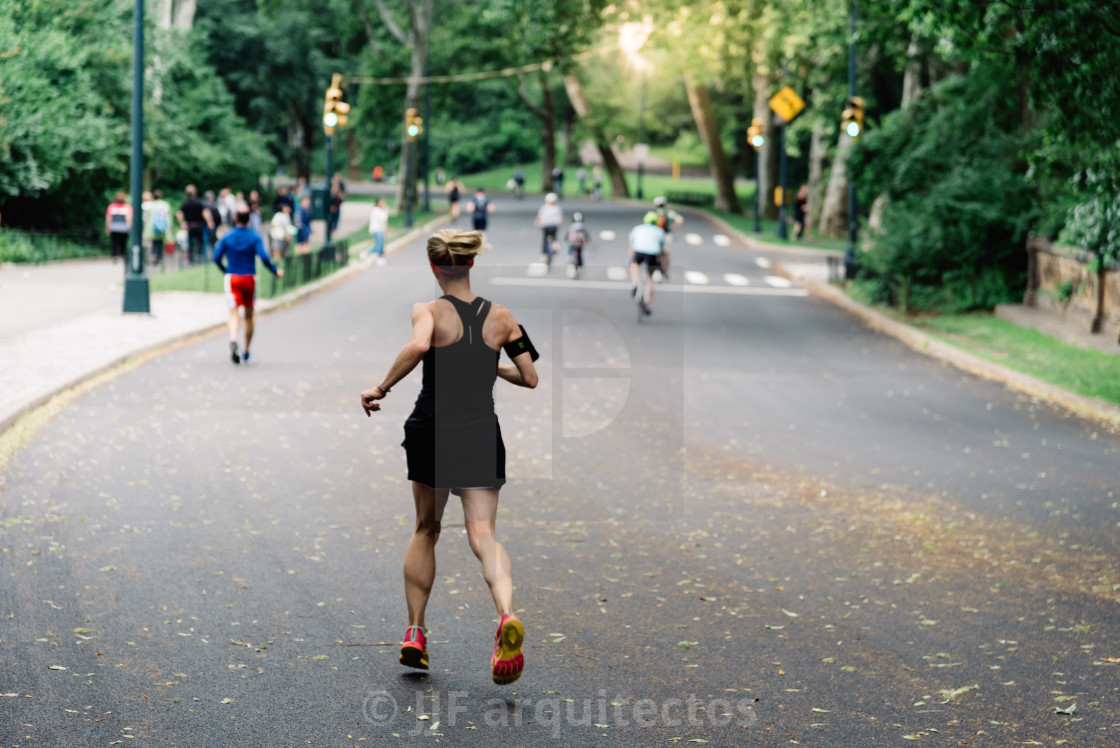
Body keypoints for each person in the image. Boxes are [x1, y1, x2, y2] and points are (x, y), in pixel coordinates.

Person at [359, 228, 539, 685]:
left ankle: (416, 634)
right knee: (483, 534)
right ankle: (506, 616)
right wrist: (487, 362)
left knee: (427, 528)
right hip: (479, 432)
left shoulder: (428, 311)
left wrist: (381, 387)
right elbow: (530, 377)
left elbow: (421, 346)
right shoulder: (502, 317)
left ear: (434, 267)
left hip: (433, 430)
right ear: (470, 264)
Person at [213, 207, 284, 365]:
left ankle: (233, 340)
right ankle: (245, 350)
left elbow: (216, 257)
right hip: (249, 277)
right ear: (249, 219)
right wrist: (275, 271)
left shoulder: (227, 236)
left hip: (232, 277)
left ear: (236, 218)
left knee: (233, 313)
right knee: (249, 316)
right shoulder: (254, 237)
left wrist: (226, 270)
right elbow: (264, 257)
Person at [629, 217, 666, 316]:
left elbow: (632, 246)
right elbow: (661, 250)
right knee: (650, 278)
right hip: (653, 254)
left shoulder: (637, 228)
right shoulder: (660, 231)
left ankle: (635, 284)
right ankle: (647, 304)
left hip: (639, 251)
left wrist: (631, 258)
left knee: (634, 264)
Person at [643, 196, 684, 282]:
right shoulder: (668, 212)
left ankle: (655, 270)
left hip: (655, 235)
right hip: (666, 235)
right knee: (666, 254)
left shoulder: (653, 213)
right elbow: (679, 220)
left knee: (656, 253)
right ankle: (665, 272)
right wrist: (673, 228)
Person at [177, 185, 212, 265]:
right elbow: (205, 212)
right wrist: (209, 222)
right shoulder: (199, 201)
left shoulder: (185, 203)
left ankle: (191, 259)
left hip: (190, 226)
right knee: (200, 242)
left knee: (190, 243)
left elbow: (179, 214)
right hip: (199, 225)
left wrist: (181, 223)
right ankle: (199, 257)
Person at [142, 189, 172, 267]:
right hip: (162, 228)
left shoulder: (149, 206)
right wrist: (168, 230)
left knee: (152, 243)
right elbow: (168, 218)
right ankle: (159, 257)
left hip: (151, 228)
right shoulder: (165, 205)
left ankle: (153, 256)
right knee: (160, 243)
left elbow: (145, 218)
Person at [534, 192, 563, 267]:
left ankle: (544, 256)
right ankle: (555, 246)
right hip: (553, 226)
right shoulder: (557, 208)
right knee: (554, 238)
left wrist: (539, 223)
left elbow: (539, 217)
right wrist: (559, 224)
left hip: (546, 226)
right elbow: (560, 218)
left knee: (544, 240)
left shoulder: (544, 208)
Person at [105, 192, 132, 263]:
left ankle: (115, 255)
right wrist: (130, 228)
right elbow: (128, 219)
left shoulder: (111, 207)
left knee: (114, 243)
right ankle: (123, 255)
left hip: (114, 228)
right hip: (124, 228)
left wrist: (108, 228)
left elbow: (108, 219)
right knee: (123, 243)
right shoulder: (127, 207)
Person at [566, 211, 590, 279]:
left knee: (571, 253)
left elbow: (566, 237)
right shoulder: (583, 227)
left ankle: (570, 258)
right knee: (580, 255)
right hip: (579, 244)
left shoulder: (571, 227)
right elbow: (587, 237)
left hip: (573, 244)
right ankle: (581, 266)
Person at [366, 198, 389, 263]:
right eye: (381, 203)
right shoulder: (375, 210)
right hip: (376, 230)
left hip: (380, 230)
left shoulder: (381, 210)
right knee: (380, 244)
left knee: (379, 244)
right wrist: (384, 210)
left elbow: (384, 222)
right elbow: (383, 218)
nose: (383, 204)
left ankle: (366, 253)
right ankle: (378, 257)